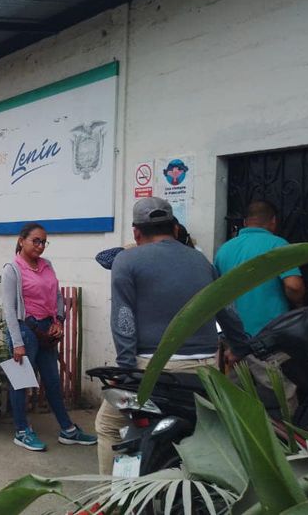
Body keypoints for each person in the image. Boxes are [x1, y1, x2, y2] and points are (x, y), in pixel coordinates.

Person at [95, 197, 220, 474]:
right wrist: (241, 345)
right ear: (174, 228)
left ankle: (110, 495)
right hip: (205, 369)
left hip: (152, 370)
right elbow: (226, 308)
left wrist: (125, 370)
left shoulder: (127, 260)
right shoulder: (201, 260)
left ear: (136, 232)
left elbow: (124, 319)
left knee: (108, 425)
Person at [0, 223, 97, 452]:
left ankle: (68, 430)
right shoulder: (12, 269)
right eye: (36, 241)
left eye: (44, 242)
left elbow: (57, 296)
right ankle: (22, 431)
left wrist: (59, 321)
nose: (40, 246)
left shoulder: (47, 265)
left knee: (53, 381)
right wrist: (18, 343)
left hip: (47, 331)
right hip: (25, 330)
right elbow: (9, 309)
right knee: (21, 383)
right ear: (22, 240)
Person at [214, 200, 304, 409]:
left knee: (238, 402)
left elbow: (215, 293)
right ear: (273, 221)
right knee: (282, 398)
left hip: (235, 341)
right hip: (269, 340)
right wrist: (299, 304)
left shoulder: (224, 249)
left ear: (246, 222)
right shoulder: (277, 245)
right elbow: (294, 285)